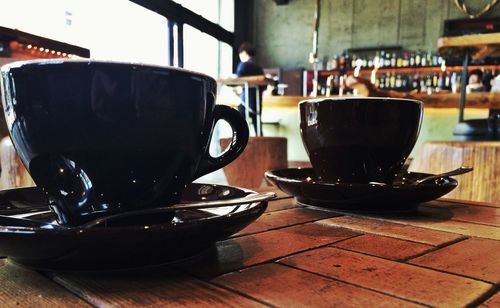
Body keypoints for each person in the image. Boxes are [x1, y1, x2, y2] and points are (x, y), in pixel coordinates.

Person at [236, 42, 265, 136]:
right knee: (258, 129)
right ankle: (261, 148)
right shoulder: (259, 68)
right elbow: (264, 87)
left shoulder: (243, 65)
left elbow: (238, 80)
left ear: (243, 53)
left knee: (239, 126)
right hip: (257, 103)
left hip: (246, 103)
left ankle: (241, 144)